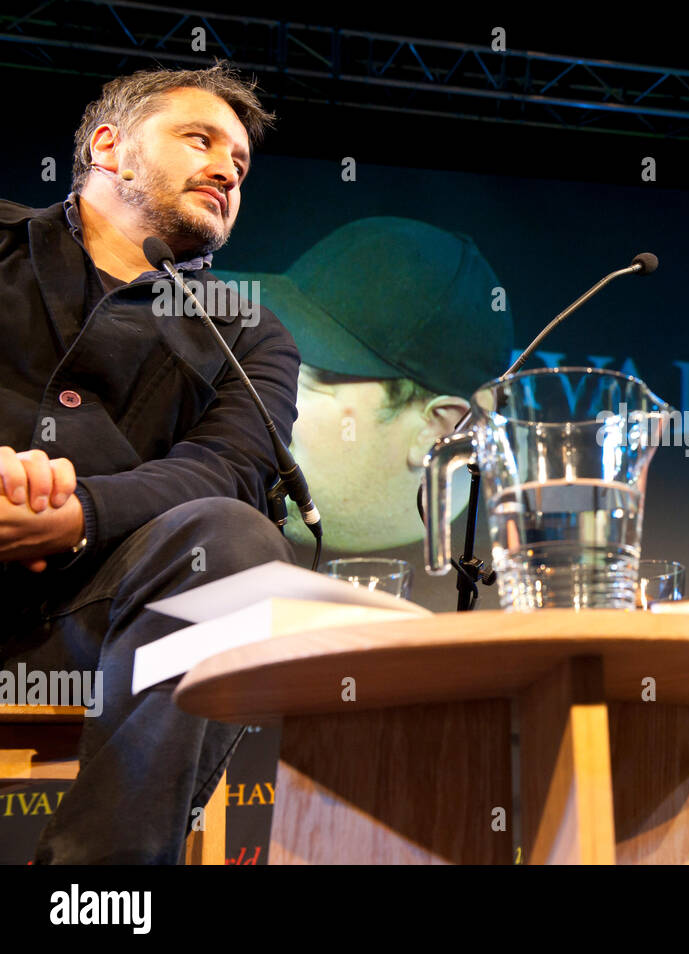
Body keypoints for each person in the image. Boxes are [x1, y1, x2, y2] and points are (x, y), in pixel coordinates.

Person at [0, 63, 298, 863]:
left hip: (97, 621)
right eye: (199, 139)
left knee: (239, 547)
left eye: (239, 163)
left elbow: (229, 469)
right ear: (111, 148)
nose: (226, 170)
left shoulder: (250, 336)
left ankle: (92, 896)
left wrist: (77, 515)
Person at [222, 217, 514, 555]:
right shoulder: (200, 546)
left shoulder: (522, 594)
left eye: (310, 377)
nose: (254, 393)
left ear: (438, 430)